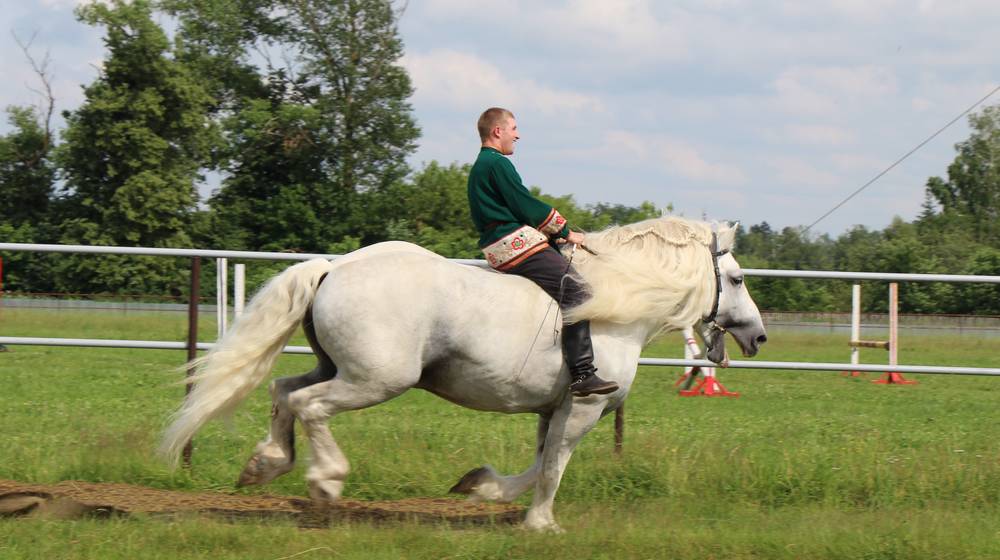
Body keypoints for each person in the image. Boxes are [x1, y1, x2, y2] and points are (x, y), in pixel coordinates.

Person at [467, 107, 619, 397]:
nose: (518, 135)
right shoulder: (497, 163)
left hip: (501, 242)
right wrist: (564, 231)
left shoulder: (483, 164)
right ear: (497, 131)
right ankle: (583, 373)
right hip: (513, 243)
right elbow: (524, 204)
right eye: (513, 128)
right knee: (578, 291)